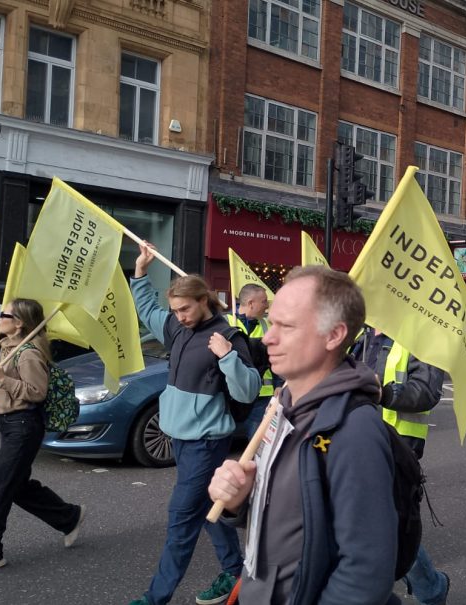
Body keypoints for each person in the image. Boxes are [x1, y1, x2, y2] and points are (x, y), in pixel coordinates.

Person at [208, 265, 399, 605]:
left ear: (334, 335)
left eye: (287, 326)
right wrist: (239, 501)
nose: (268, 336)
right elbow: (287, 520)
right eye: (272, 322)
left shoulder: (355, 430)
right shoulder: (283, 407)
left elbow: (365, 573)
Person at [130, 243, 261, 605]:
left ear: (205, 300)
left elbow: (248, 390)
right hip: (182, 440)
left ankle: (156, 598)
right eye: (176, 310)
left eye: (185, 308)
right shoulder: (178, 328)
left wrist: (228, 357)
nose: (180, 316)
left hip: (207, 442)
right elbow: (148, 311)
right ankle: (236, 573)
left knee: (180, 521)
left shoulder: (228, 337)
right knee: (208, 509)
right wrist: (141, 272)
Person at [0, 299, 86, 573]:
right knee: (16, 485)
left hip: (23, 426)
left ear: (20, 323)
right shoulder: (7, 346)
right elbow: (10, 387)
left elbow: (36, 392)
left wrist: (3, 379)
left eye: (6, 314)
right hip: (9, 423)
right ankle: (69, 516)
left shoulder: (28, 353)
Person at [352, 328, 450, 605]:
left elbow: (428, 391)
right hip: (358, 440)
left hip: (397, 445)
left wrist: (383, 392)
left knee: (385, 526)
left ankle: (431, 589)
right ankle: (431, 588)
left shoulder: (421, 335)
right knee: (378, 524)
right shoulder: (361, 336)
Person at [227, 283, 278, 438]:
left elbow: (276, 358)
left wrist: (279, 384)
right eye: (263, 301)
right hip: (231, 397)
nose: (267, 306)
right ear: (250, 303)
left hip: (261, 398)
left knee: (257, 447)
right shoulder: (226, 322)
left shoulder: (268, 325)